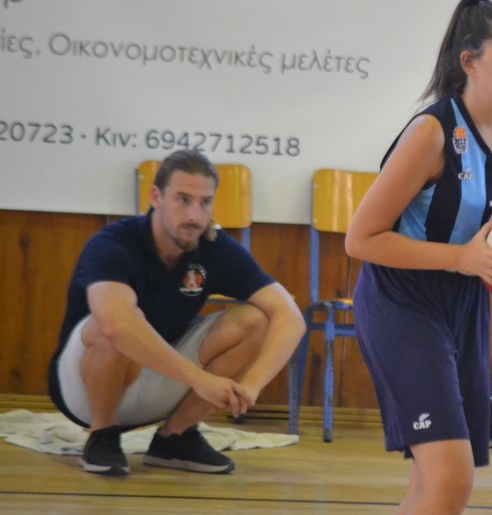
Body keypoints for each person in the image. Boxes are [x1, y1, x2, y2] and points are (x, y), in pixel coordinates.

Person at [345, 0, 492, 514]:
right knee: (451, 479)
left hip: (464, 303)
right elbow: (361, 239)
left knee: (431, 483)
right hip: (401, 301)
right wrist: (461, 259)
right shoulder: (432, 133)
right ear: (469, 62)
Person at [47, 149, 305, 476]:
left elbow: (290, 316)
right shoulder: (113, 244)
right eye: (183, 200)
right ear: (156, 197)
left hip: (161, 380)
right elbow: (115, 326)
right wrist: (200, 380)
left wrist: (252, 385)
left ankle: (175, 437)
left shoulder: (215, 247)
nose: (195, 215)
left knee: (258, 321)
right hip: (83, 392)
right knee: (112, 323)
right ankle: (102, 434)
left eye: (205, 202)